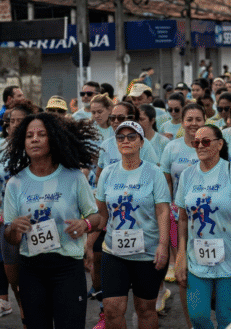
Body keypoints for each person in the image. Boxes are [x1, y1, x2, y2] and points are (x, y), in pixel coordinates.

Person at [4, 113, 102, 329]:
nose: (34, 139)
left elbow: (97, 218)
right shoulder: (15, 183)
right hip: (31, 270)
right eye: (29, 136)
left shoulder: (74, 177)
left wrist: (84, 225)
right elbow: (9, 236)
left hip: (67, 268)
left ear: (54, 139)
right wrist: (14, 229)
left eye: (41, 134)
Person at [175, 125, 231, 329]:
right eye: (196, 142)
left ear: (219, 144)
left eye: (206, 141)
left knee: (226, 317)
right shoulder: (187, 175)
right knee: (198, 316)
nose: (200, 145)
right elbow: (182, 219)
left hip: (230, 259)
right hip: (196, 259)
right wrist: (180, 255)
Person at [95, 121, 170, 329]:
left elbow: (163, 211)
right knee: (111, 309)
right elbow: (101, 214)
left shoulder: (154, 173)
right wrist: (87, 238)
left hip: (147, 252)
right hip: (114, 251)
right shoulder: (108, 173)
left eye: (131, 137)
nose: (125, 141)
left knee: (145, 309)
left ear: (141, 142)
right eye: (121, 137)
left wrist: (163, 246)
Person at [0, 101, 38, 320]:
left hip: (39, 218)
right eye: (11, 121)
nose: (15, 125)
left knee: (37, 275)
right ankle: (25, 315)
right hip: (8, 220)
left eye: (20, 121)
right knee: (13, 275)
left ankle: (40, 314)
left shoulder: (39, 145)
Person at [159, 103, 206, 328]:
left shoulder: (214, 145)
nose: (193, 124)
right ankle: (191, 325)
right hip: (180, 219)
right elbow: (167, 182)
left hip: (210, 219)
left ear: (205, 120)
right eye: (189, 119)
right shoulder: (171, 148)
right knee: (184, 274)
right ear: (183, 122)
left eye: (198, 119)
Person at [96, 102, 160, 181]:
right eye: (112, 118)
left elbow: (155, 174)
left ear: (131, 119)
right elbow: (99, 175)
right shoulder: (105, 144)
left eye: (120, 118)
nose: (115, 121)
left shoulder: (143, 143)